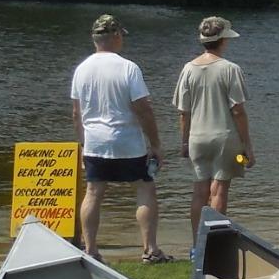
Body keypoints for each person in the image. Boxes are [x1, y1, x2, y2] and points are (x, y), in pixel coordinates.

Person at [70, 14, 168, 264]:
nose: (122, 40)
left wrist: (83, 145)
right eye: (121, 36)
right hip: (127, 141)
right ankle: (150, 250)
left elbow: (76, 113)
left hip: (95, 141)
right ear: (115, 37)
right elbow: (143, 108)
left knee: (93, 192)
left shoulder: (81, 69)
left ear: (95, 39)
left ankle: (90, 251)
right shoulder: (128, 67)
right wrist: (155, 144)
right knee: (145, 188)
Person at [174, 15, 252, 228]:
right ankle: (213, 241)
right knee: (218, 190)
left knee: (199, 191)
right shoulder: (230, 69)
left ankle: (195, 245)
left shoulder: (188, 69)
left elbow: (184, 112)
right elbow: (238, 111)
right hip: (225, 139)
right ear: (224, 40)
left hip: (196, 139)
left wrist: (183, 143)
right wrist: (247, 146)